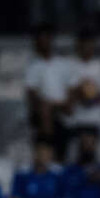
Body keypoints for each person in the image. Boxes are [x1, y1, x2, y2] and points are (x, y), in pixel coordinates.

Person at [24, 24, 72, 160]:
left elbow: (70, 93)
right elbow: (32, 95)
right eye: (40, 39)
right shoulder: (33, 67)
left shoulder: (63, 64)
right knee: (45, 111)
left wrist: (60, 105)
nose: (44, 42)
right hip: (44, 116)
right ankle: (46, 150)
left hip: (62, 113)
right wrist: (46, 107)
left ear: (51, 40)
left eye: (46, 38)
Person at [65, 29, 100, 132]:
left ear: (94, 45)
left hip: (95, 119)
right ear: (79, 44)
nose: (87, 47)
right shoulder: (70, 65)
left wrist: (92, 96)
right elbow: (68, 93)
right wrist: (81, 89)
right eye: (84, 43)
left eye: (90, 43)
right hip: (76, 120)